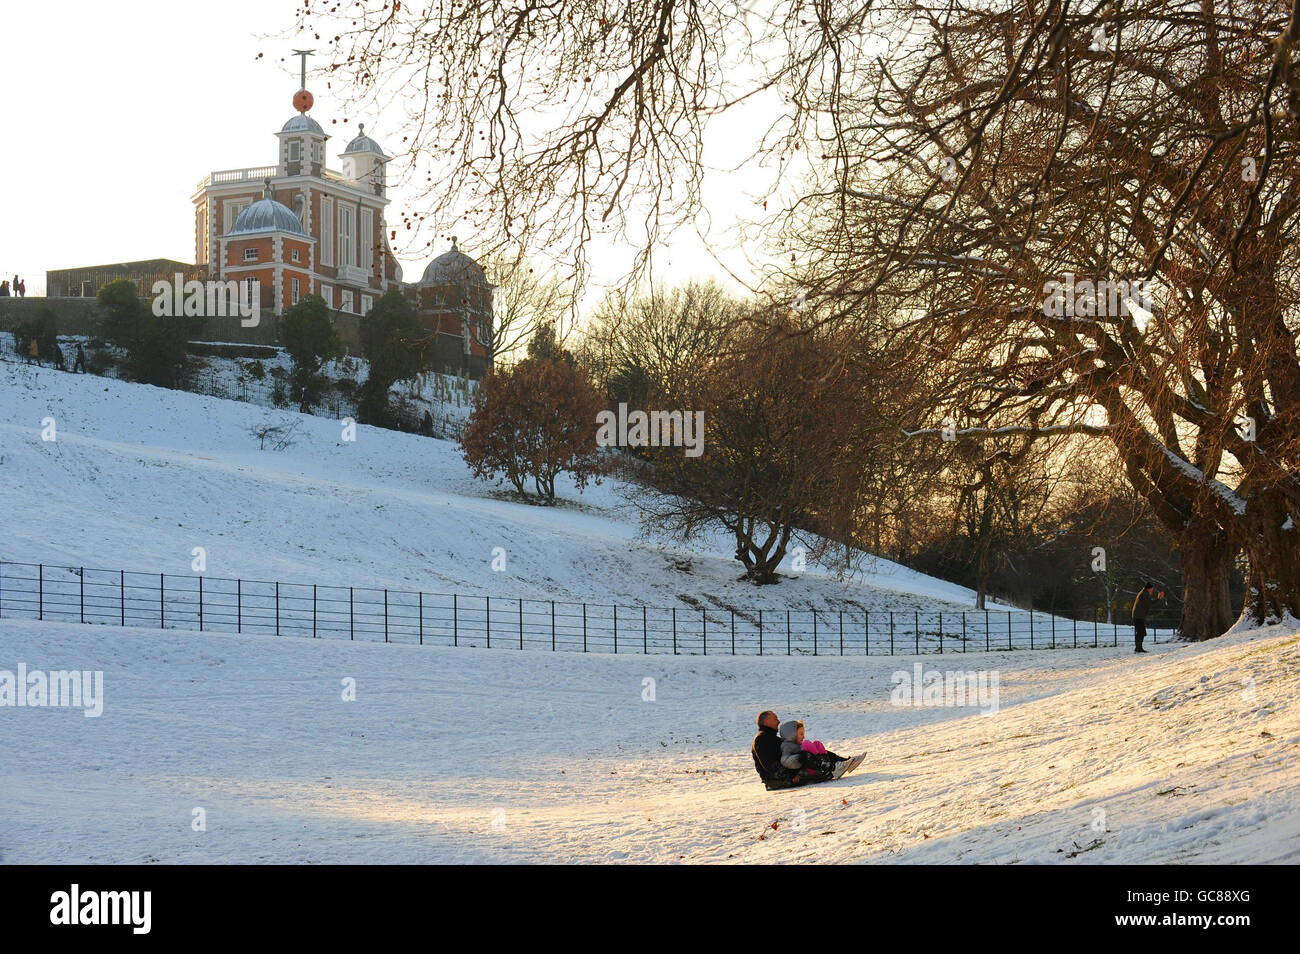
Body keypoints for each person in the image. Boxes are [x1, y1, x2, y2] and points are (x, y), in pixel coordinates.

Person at [752, 710, 836, 789]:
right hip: (777, 781)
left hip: (787, 773)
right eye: (775, 719)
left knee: (808, 749)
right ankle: (828, 769)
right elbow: (770, 765)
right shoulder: (761, 739)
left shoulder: (771, 738)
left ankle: (839, 762)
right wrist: (790, 777)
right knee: (804, 756)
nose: (778, 721)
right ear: (766, 721)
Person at [778, 720, 850, 778]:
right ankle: (828, 767)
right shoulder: (786, 746)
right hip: (808, 769)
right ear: (792, 735)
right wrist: (797, 758)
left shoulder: (797, 744)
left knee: (816, 743)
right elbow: (785, 760)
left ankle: (837, 763)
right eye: (801, 734)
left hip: (815, 766)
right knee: (806, 743)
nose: (803, 736)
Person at [1131, 582, 1163, 653]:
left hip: (1138, 615)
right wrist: (1158, 598)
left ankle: (1138, 648)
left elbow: (1148, 603)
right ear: (1149, 589)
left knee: (1141, 632)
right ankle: (1138, 648)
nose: (1152, 590)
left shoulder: (1144, 593)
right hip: (1138, 616)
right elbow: (1150, 604)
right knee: (1140, 632)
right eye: (1152, 589)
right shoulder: (1144, 594)